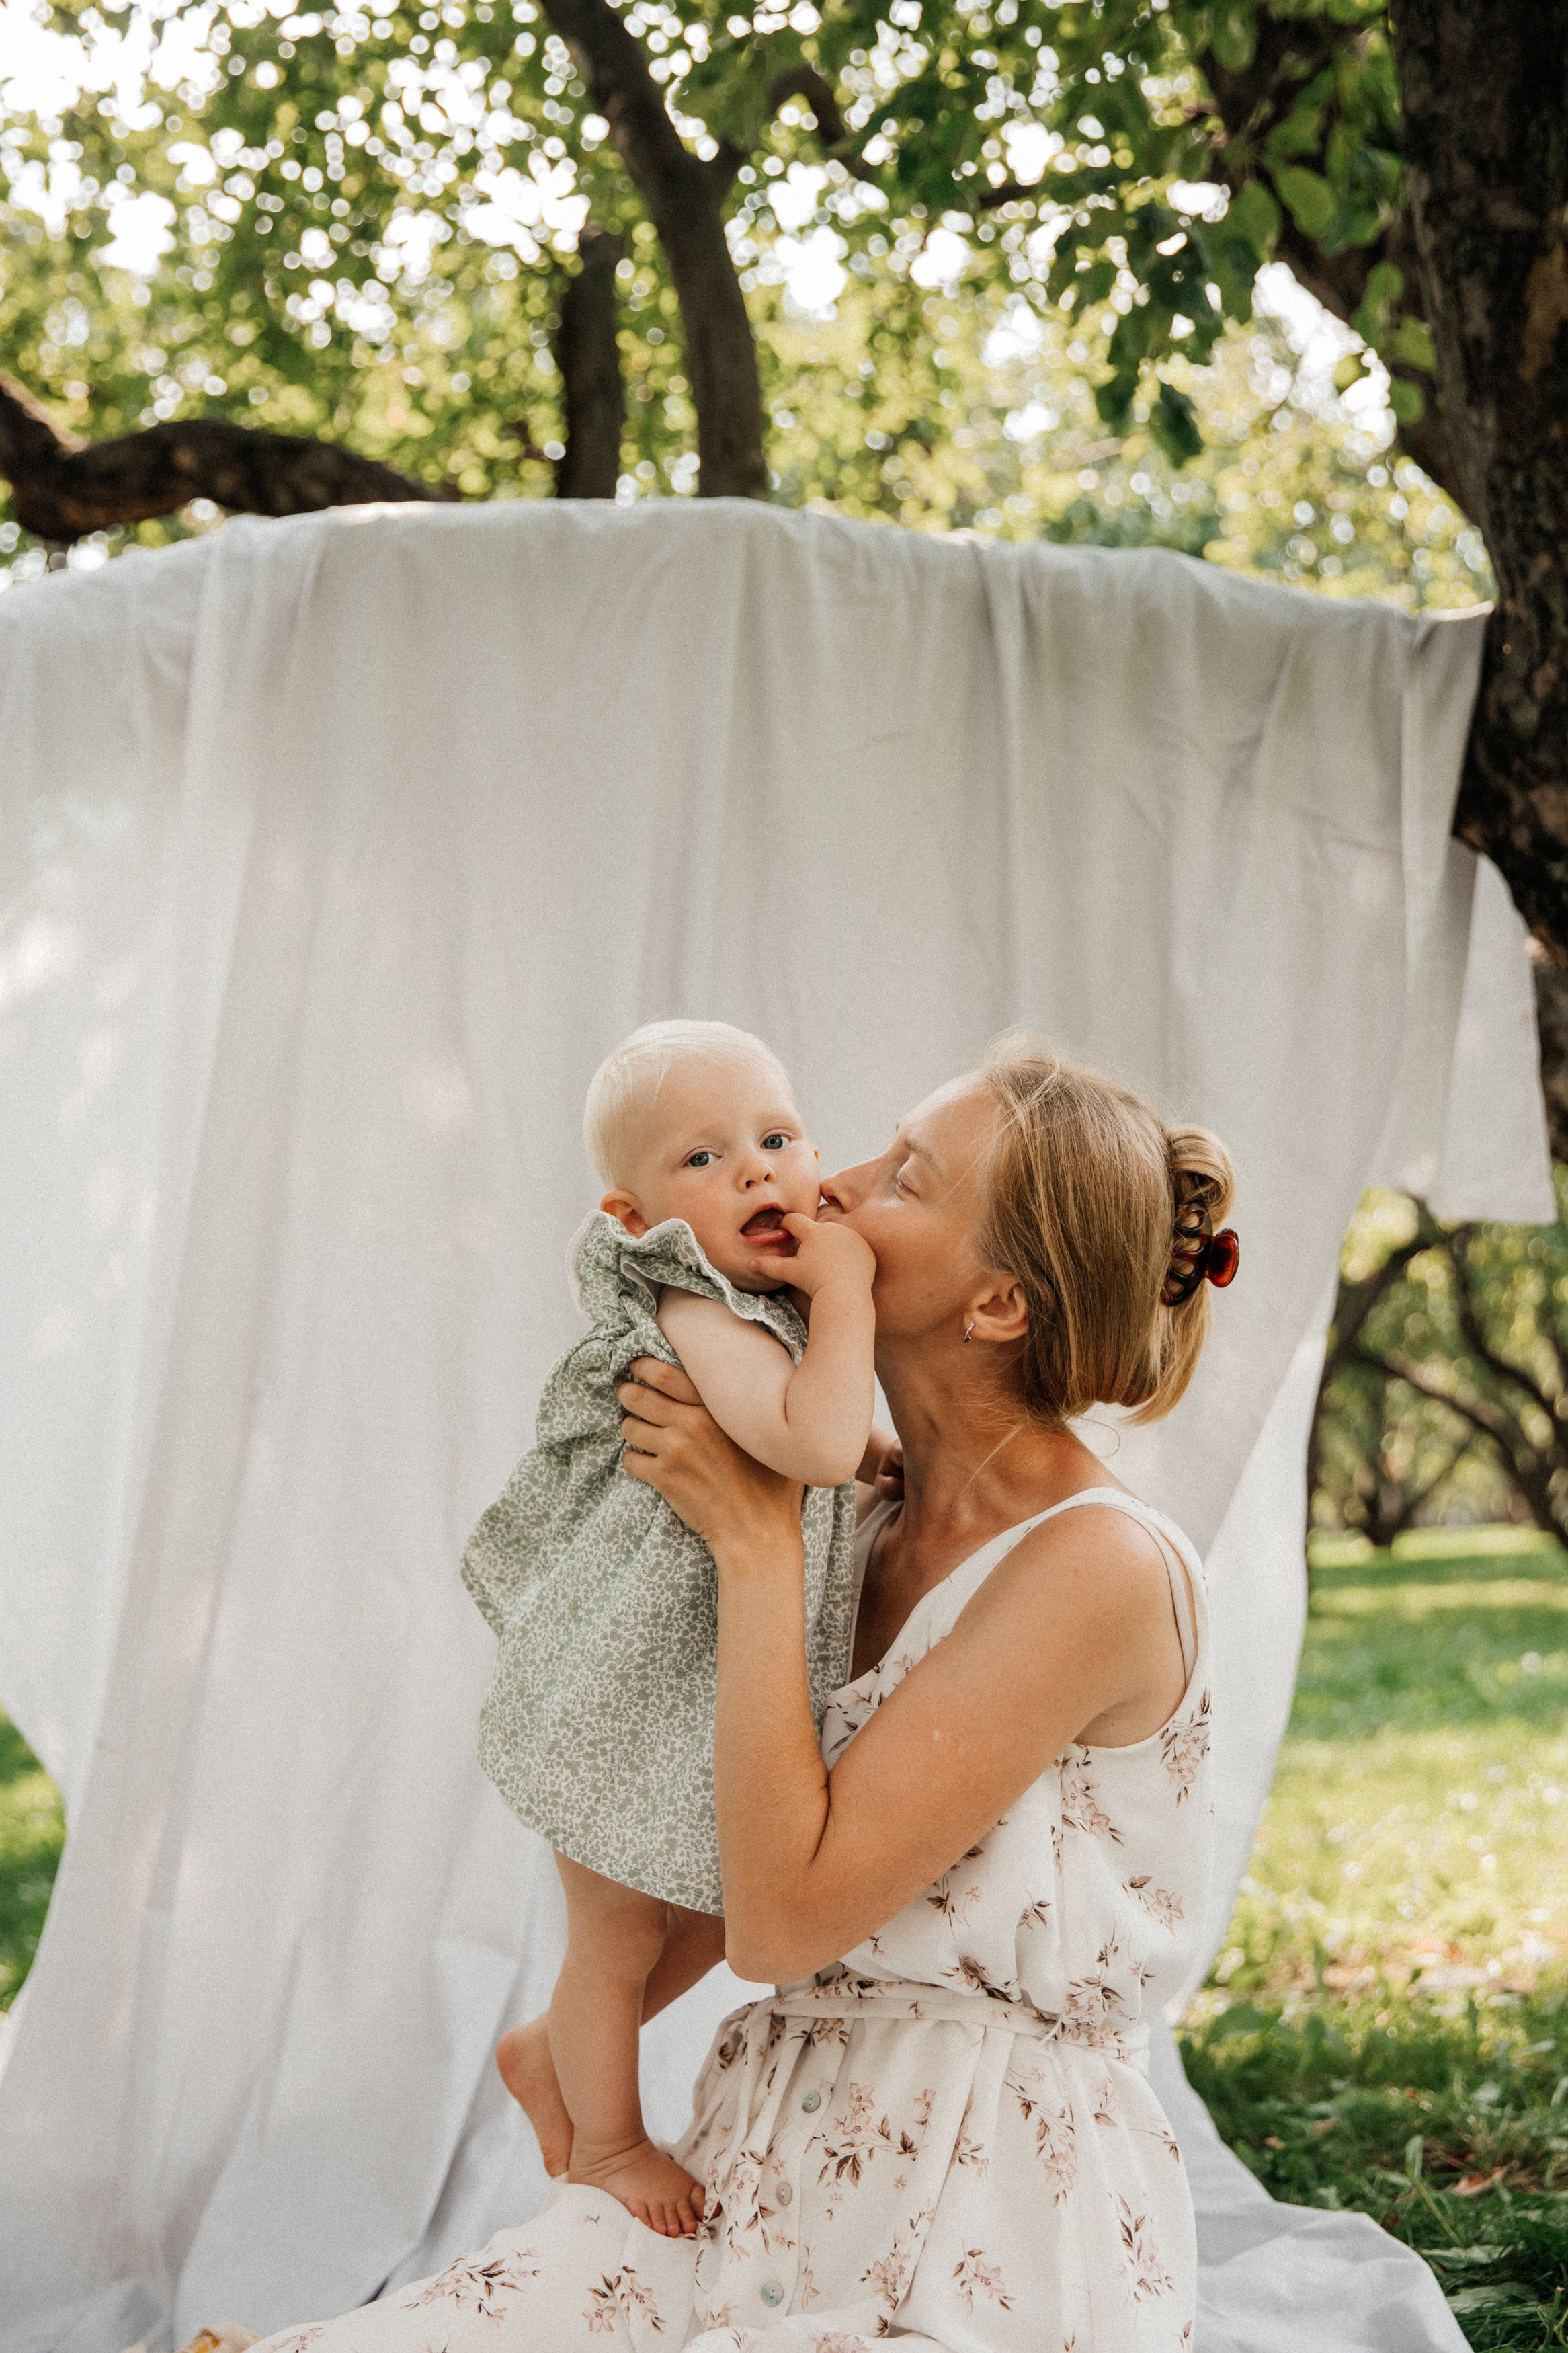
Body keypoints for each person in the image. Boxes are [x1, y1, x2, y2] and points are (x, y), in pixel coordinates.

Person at [242, 1037, 1239, 2353]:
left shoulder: (1091, 1568)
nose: (836, 1183)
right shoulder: (872, 1521)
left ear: (996, 1305)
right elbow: (789, 1847)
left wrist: (755, 1547)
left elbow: (783, 1921)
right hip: (771, 2151)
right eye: (875, 1142)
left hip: (983, 2202)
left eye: (908, 1175)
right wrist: (602, 1999)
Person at [462, 1021, 879, 2237]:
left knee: (706, 1907)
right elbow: (806, 1440)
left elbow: (816, 1441)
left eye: (776, 1138)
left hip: (678, 1688)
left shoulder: (768, 1310)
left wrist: (869, 1458)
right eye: (702, 1159)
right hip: (617, 1689)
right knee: (618, 1929)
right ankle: (602, 2142)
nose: (756, 1171)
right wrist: (847, 1292)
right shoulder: (690, 1303)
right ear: (635, 1212)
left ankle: (552, 2053)